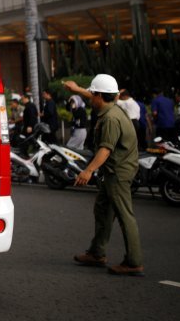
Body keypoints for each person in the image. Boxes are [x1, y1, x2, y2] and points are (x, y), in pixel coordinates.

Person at [64, 74, 143, 276]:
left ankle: (133, 262)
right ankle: (96, 252)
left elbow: (105, 150)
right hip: (114, 171)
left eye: (92, 95)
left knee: (125, 216)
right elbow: (97, 92)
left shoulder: (110, 119)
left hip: (118, 172)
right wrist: (76, 89)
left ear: (100, 96)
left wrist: (88, 170)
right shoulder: (114, 107)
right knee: (102, 210)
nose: (90, 97)